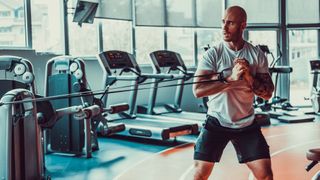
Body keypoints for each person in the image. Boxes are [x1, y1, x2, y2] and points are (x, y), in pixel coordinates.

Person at [192, 6, 274, 180]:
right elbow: (198, 90)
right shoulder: (213, 54)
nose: (224, 27)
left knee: (266, 176)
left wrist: (248, 76)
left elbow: (267, 94)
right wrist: (230, 80)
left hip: (246, 124)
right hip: (216, 121)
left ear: (243, 25)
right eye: (223, 22)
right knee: (199, 175)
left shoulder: (256, 54)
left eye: (230, 23)